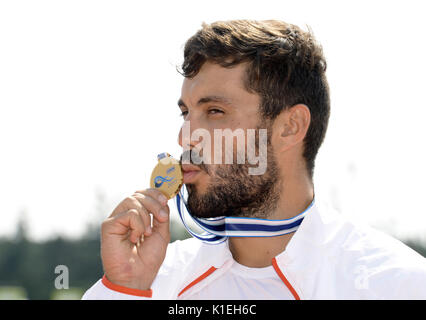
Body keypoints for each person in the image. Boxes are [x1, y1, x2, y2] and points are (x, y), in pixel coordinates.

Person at [82, 19, 426, 300]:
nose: (185, 137)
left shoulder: (397, 285)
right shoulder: (153, 279)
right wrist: (126, 289)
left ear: (291, 127)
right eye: (186, 113)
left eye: (214, 111)